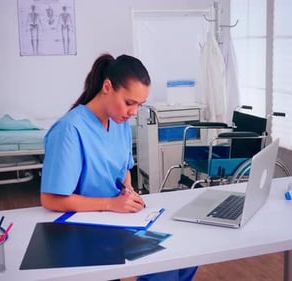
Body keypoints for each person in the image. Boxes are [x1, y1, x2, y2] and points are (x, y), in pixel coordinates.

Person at [40, 54, 198, 281]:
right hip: (83, 226)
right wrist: (111, 203)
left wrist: (128, 189)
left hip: (116, 219)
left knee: (183, 258)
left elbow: (124, 170)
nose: (134, 111)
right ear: (107, 87)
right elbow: (51, 199)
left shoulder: (119, 122)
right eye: (129, 102)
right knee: (164, 269)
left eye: (139, 104)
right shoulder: (70, 130)